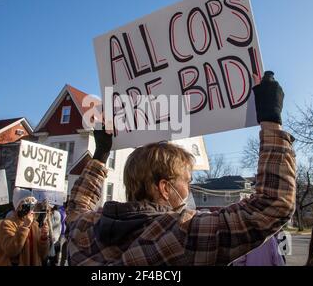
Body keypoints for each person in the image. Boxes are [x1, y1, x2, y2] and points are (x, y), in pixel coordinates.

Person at [66, 71, 296, 266]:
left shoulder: (85, 230)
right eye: (186, 181)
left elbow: (77, 207)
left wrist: (100, 155)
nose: (189, 188)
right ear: (165, 188)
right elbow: (272, 206)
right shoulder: (179, 234)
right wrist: (271, 121)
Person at [0, 187, 50, 266]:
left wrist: (44, 237)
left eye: (33, 203)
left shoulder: (35, 225)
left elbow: (43, 254)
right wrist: (25, 227)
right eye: (27, 203)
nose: (30, 207)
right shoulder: (7, 224)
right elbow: (11, 250)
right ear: (18, 206)